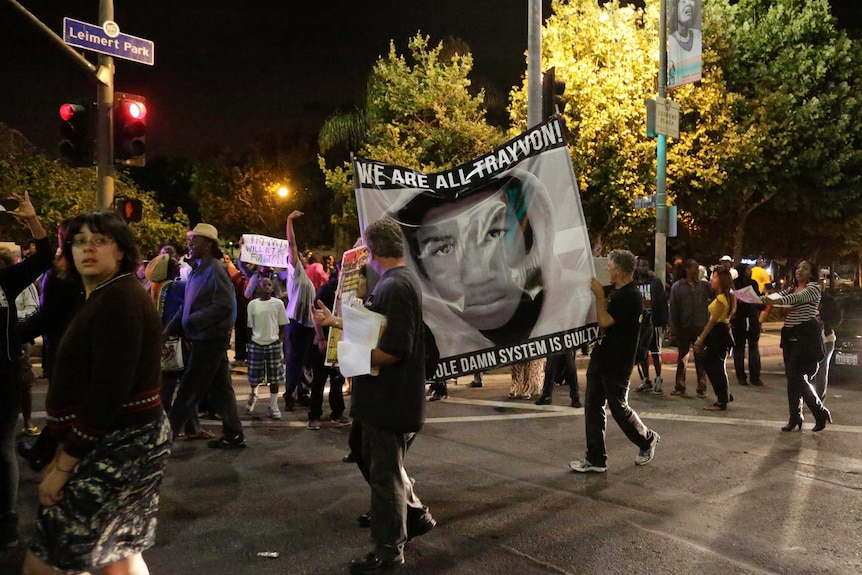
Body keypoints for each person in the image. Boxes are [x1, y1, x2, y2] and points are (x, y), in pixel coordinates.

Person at [24, 210, 170, 575]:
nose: (87, 248)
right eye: (79, 241)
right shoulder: (99, 295)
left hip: (122, 442)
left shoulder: (119, 299)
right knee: (118, 553)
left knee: (50, 559)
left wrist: (64, 464)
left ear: (121, 251)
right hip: (122, 438)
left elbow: (108, 390)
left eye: (100, 240)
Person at [312, 218, 434, 574]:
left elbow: (395, 348)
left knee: (384, 475)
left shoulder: (396, 287)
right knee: (374, 461)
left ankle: (387, 550)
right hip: (381, 400)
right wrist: (336, 322)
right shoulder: (395, 283)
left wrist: (353, 357)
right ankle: (412, 515)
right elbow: (375, 327)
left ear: (373, 250)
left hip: (390, 401)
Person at [394, 168, 593, 360]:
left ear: (533, 236)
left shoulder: (582, 306)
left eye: (493, 234)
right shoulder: (422, 341)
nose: (476, 275)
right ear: (418, 268)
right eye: (444, 249)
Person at [570, 249, 660, 474]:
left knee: (619, 408)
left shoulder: (630, 296)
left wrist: (599, 295)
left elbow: (604, 320)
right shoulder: (616, 291)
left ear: (619, 269)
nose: (607, 268)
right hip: (600, 358)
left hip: (617, 363)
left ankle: (647, 439)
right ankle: (596, 458)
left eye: (610, 265)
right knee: (593, 407)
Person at [0, 192, 52, 550]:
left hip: (3, 379)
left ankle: (8, 521)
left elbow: (45, 258)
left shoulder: (3, 281)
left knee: (2, 450)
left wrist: (33, 219)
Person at [166, 223, 246, 449]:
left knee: (188, 390)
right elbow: (187, 306)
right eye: (190, 240)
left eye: (195, 240)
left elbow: (223, 305)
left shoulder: (215, 270)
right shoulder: (197, 270)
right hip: (202, 337)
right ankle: (234, 433)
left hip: (210, 339)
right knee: (221, 388)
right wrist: (171, 328)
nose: (190, 244)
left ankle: (164, 439)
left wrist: (191, 321)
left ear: (208, 244)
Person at [762, 260, 832, 432]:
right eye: (799, 268)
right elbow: (782, 297)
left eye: (805, 268)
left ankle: (818, 411)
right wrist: (766, 298)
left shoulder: (813, 288)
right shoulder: (792, 287)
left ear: (811, 273)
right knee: (792, 379)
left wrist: (772, 300)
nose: (800, 271)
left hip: (806, 338)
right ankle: (795, 417)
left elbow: (794, 299)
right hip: (790, 338)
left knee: (797, 376)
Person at [282, 211, 318, 415]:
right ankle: (289, 395)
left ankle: (301, 393)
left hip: (308, 326)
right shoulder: (295, 273)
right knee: (294, 362)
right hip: (296, 323)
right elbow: (292, 244)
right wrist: (289, 220)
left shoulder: (307, 280)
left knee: (305, 362)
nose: (302, 258)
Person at [693, 267, 736, 410]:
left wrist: (700, 339)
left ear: (722, 280)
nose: (712, 279)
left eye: (715, 277)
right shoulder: (729, 296)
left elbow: (712, 321)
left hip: (718, 333)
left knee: (714, 366)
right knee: (714, 365)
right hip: (722, 331)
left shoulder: (722, 298)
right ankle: (724, 394)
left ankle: (722, 399)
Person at [245, 277, 288, 420]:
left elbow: (282, 323)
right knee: (254, 375)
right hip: (256, 343)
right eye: (264, 285)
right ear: (258, 288)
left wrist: (279, 340)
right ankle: (253, 393)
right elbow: (249, 326)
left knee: (274, 376)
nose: (268, 287)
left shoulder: (278, 304)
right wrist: (250, 342)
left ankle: (273, 404)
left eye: (270, 285)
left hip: (273, 343)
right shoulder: (252, 305)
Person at [667, 259, 710, 397]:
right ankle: (680, 386)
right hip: (684, 327)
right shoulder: (678, 287)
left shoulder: (704, 286)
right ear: (687, 269)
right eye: (694, 268)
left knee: (700, 358)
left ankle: (702, 387)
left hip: (700, 327)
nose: (697, 271)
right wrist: (673, 330)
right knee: (682, 358)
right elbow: (673, 310)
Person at [633, 257, 668, 394]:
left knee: (655, 352)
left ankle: (658, 378)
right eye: (642, 265)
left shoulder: (655, 282)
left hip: (653, 322)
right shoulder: (634, 283)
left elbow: (662, 302)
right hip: (639, 324)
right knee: (642, 353)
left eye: (646, 265)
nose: (644, 268)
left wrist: (664, 321)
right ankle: (646, 379)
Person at [731, 263, 763, 386]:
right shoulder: (735, 283)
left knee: (753, 346)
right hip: (739, 319)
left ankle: (755, 376)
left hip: (752, 317)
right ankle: (741, 376)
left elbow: (758, 299)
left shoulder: (753, 283)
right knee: (739, 347)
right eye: (748, 269)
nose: (750, 271)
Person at [667, 0, 702, 87]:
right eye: (683, 1)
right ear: (674, 8)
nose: (688, 4)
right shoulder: (670, 40)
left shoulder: (697, 36)